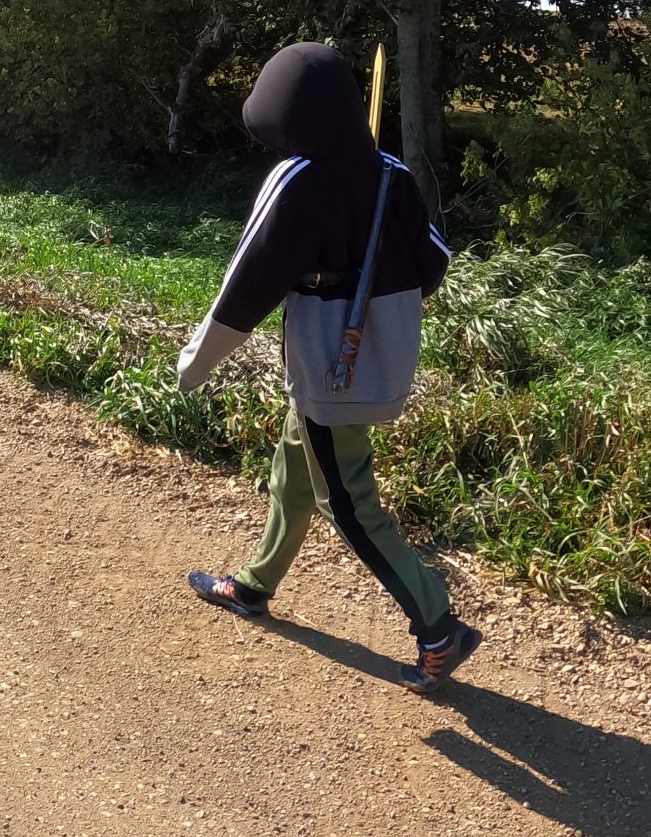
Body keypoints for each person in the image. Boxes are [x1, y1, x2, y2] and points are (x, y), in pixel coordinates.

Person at [174, 41, 480, 694]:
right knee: (294, 469)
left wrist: (193, 367)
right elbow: (434, 262)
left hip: (328, 371)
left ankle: (438, 627)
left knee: (348, 503)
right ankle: (254, 584)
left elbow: (245, 286)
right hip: (379, 359)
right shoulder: (391, 172)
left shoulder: (298, 178)